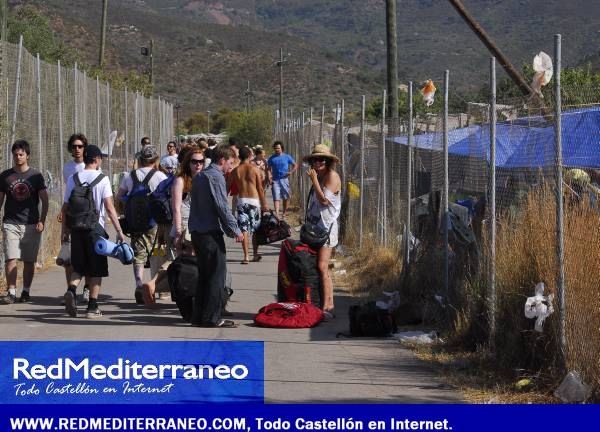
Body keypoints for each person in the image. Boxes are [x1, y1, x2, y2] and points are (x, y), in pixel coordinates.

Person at [61, 145, 124, 318]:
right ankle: (92, 307)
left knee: (78, 266)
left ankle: (71, 290)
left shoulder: (73, 178)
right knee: (96, 269)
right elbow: (110, 208)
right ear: (96, 160)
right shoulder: (102, 179)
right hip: (96, 229)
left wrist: (64, 231)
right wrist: (119, 231)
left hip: (77, 229)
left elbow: (65, 208)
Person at [141, 148, 206, 305]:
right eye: (194, 162)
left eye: (201, 162)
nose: (198, 165)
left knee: (179, 261)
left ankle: (157, 286)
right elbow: (176, 207)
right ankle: (155, 285)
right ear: (187, 163)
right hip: (183, 225)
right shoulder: (180, 180)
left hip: (193, 224)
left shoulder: (199, 179)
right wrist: (177, 231)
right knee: (183, 261)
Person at [188, 145, 243, 328]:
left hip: (197, 231)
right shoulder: (215, 177)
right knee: (216, 277)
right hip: (209, 232)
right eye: (230, 163)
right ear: (222, 160)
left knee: (204, 275)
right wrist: (235, 230)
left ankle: (199, 316)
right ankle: (213, 317)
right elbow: (222, 206)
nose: (231, 167)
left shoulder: (200, 176)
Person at [0, 140, 49, 304]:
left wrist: (42, 220)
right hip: (10, 223)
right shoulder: (5, 176)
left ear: (27, 156)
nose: (18, 157)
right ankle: (11, 292)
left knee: (29, 260)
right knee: (11, 258)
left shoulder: (36, 176)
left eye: (21, 154)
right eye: (15, 154)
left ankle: (26, 291)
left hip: (31, 223)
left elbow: (44, 199)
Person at [117, 145, 167, 304]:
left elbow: (119, 196)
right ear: (156, 160)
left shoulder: (129, 176)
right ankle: (157, 288)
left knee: (139, 254)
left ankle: (139, 284)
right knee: (157, 253)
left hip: (135, 222)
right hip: (155, 221)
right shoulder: (160, 176)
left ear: (140, 159)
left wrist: (124, 213)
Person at [303, 144, 341, 320]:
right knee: (313, 265)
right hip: (315, 227)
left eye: (321, 159)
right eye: (315, 160)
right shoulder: (319, 175)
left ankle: (329, 306)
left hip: (327, 228)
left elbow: (324, 201)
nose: (318, 162)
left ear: (328, 161)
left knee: (322, 266)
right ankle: (320, 302)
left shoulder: (332, 176)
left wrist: (314, 181)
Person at [59, 133, 90, 302]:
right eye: (74, 146)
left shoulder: (91, 166)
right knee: (68, 255)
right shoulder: (67, 168)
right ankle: (70, 291)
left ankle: (86, 288)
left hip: (87, 216)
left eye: (80, 146)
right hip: (71, 214)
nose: (77, 149)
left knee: (87, 253)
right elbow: (68, 193)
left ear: (85, 148)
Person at [228, 146, 268, 264]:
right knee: (255, 229)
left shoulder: (236, 171)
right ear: (250, 156)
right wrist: (264, 203)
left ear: (239, 157)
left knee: (243, 230)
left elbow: (227, 186)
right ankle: (255, 254)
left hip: (242, 202)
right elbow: (260, 188)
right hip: (254, 201)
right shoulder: (255, 169)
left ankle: (246, 256)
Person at [267, 141, 297, 219]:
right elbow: (268, 169)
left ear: (282, 148)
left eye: (278, 148)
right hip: (275, 180)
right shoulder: (271, 158)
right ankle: (277, 213)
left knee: (285, 197)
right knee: (276, 197)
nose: (277, 149)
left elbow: (295, 165)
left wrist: (290, 172)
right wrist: (269, 177)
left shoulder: (287, 157)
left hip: (284, 179)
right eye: (275, 148)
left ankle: (284, 213)